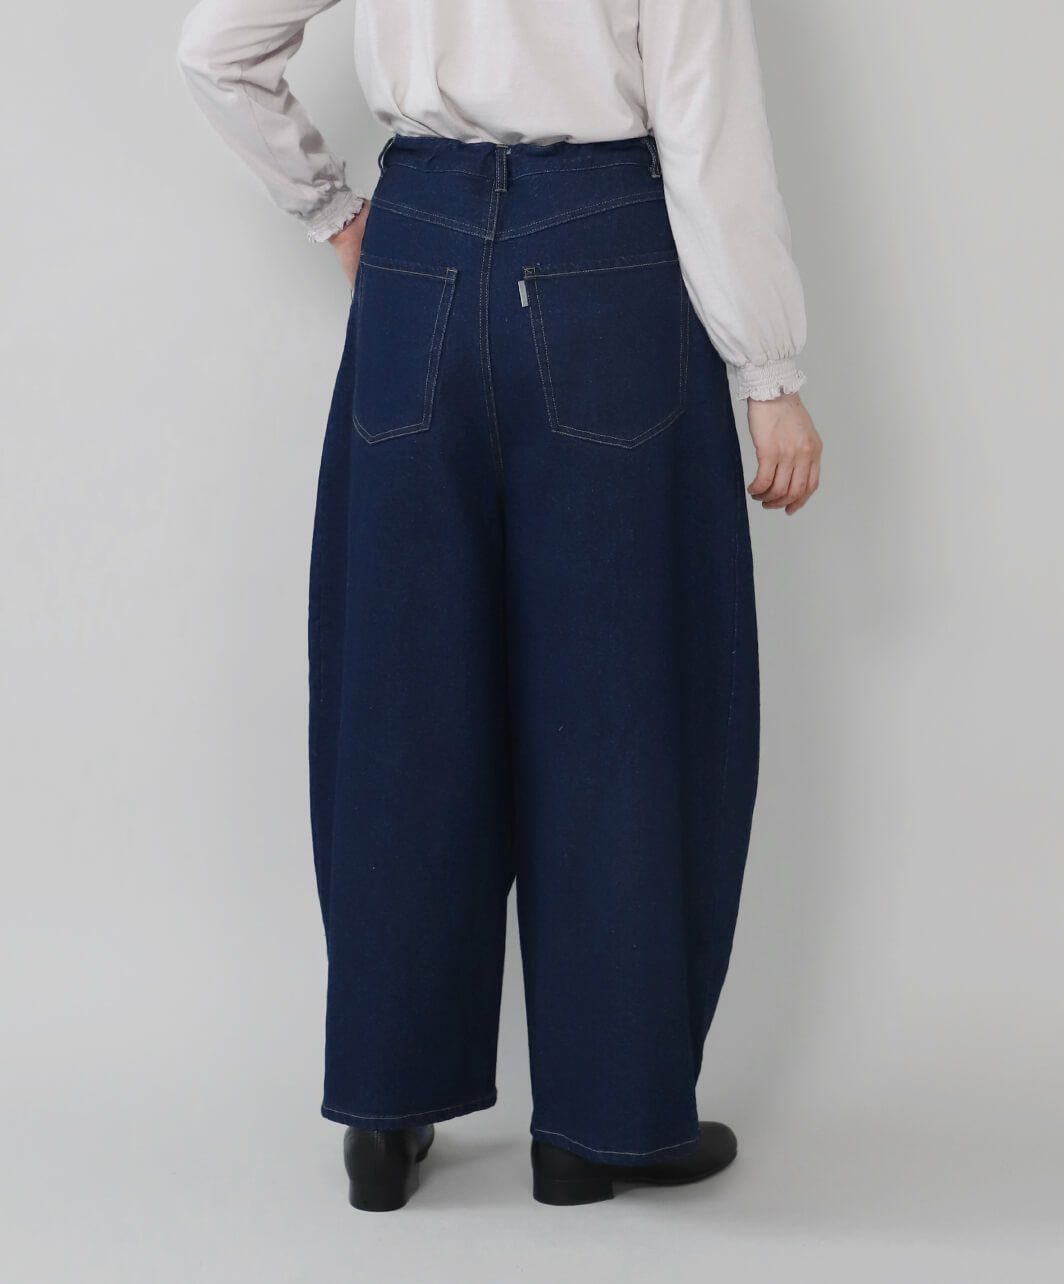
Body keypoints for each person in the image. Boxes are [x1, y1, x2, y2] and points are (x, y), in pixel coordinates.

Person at [177, 0, 822, 1211]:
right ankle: (598, 1125)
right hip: (604, 262)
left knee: (401, 705)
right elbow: (705, 127)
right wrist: (769, 368)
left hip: (413, 257)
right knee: (618, 705)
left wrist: (334, 210)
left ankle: (385, 1109)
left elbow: (214, 48)